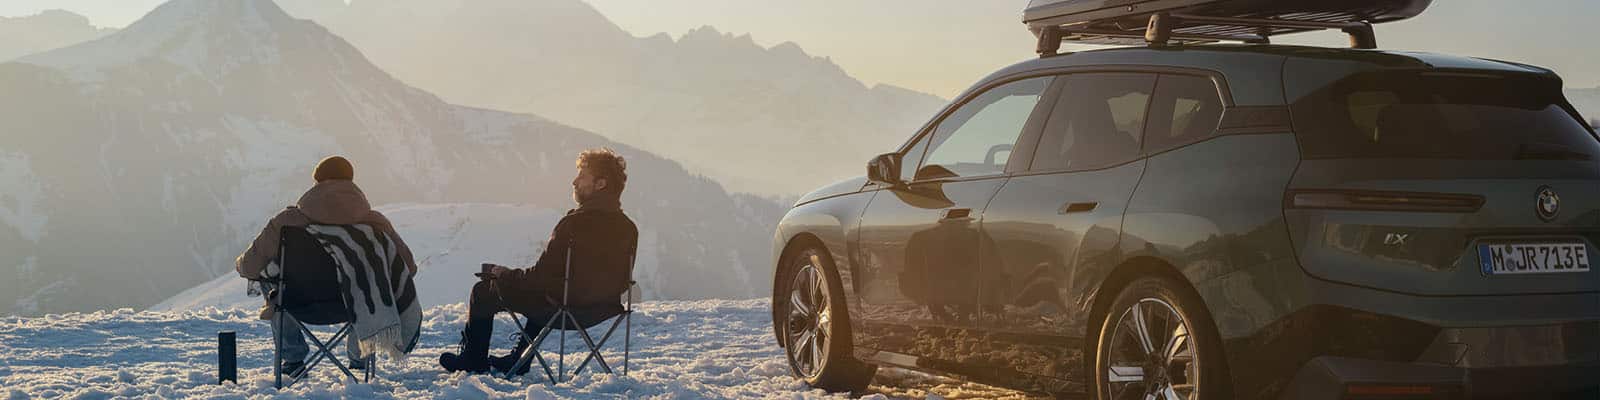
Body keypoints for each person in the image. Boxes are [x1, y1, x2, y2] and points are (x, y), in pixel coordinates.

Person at [439, 148, 639, 374]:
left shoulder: (573, 224)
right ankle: (520, 359)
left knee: (483, 292)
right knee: (553, 290)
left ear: (601, 184)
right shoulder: (629, 229)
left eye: (582, 176)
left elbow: (539, 277)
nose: (574, 182)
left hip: (563, 309)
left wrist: (504, 274)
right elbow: (622, 281)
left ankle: (473, 362)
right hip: (603, 310)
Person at [235, 155, 418, 376]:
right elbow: (408, 268)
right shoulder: (375, 224)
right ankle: (359, 357)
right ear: (352, 185)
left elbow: (249, 267)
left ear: (317, 184)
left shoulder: (287, 221)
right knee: (365, 284)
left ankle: (293, 359)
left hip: (296, 302)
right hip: (352, 307)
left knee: (272, 280)